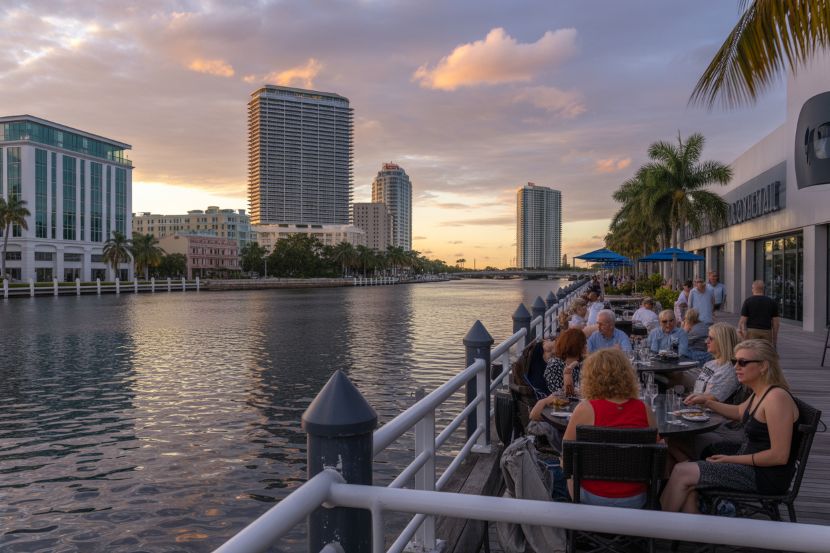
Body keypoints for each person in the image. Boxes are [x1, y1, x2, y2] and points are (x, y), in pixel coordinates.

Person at [661, 340, 800, 513]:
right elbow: (739, 411)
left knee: (682, 472)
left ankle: (655, 530)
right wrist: (707, 402)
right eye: (735, 362)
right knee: (677, 447)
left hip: (764, 475)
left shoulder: (776, 398)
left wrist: (730, 459)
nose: (736, 368)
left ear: (763, 366)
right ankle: (694, 531)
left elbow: (779, 456)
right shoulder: (762, 392)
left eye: (743, 362)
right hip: (748, 461)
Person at [563, 349, 658, 507]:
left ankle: (574, 522)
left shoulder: (585, 409)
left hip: (592, 497)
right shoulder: (644, 409)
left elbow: (566, 455)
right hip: (635, 499)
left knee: (563, 464)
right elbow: (656, 451)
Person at [529, 329, 587, 420]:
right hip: (557, 412)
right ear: (578, 347)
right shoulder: (555, 365)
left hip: (575, 407)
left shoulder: (580, 362)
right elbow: (564, 396)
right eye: (584, 344)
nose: (586, 346)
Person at [738, 280, 780, 348]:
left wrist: (742, 332)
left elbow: (743, 320)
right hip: (766, 331)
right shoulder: (771, 302)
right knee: (765, 351)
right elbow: (776, 322)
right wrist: (774, 339)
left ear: (753, 289)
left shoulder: (748, 301)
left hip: (752, 331)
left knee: (752, 351)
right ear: (763, 289)